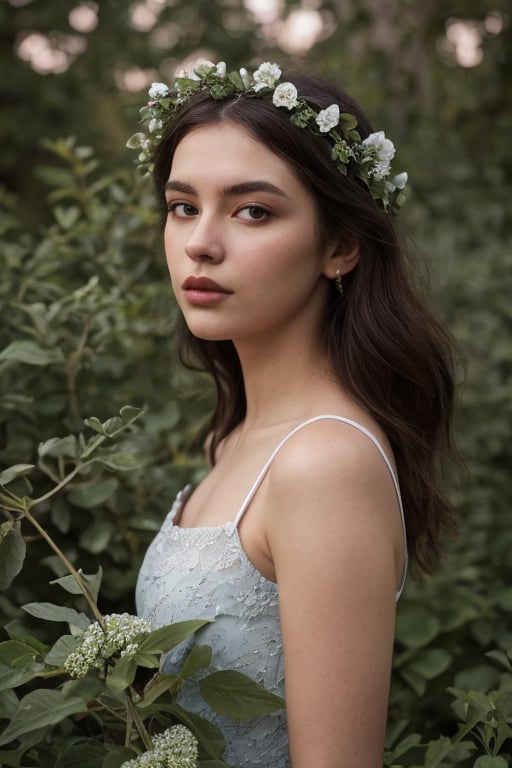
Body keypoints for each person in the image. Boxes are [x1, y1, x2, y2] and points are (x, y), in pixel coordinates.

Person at [132, 60, 456, 768]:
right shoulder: (237, 436)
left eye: (253, 211)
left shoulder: (323, 463)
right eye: (183, 205)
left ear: (339, 247)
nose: (200, 242)